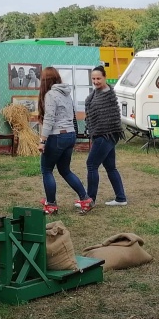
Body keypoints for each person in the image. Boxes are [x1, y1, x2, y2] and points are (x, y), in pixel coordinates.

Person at [38, 66, 93, 214]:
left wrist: (42, 141)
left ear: (45, 81)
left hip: (57, 135)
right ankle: (85, 199)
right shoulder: (66, 94)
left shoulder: (50, 95)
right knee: (65, 170)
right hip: (70, 134)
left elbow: (49, 118)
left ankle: (51, 204)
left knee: (46, 169)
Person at [84, 66, 128, 206]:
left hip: (106, 134)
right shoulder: (96, 93)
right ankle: (121, 198)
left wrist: (98, 132)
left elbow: (110, 117)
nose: (96, 81)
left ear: (105, 78)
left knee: (91, 164)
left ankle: (89, 199)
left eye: (98, 78)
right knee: (110, 167)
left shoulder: (107, 94)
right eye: (93, 79)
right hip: (103, 134)